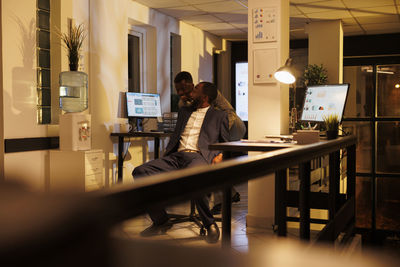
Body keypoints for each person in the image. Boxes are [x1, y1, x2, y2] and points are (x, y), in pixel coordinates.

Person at [132, 81, 230, 243]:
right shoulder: (184, 111)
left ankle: (209, 222)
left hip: (198, 156)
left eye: (196, 89)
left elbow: (226, 143)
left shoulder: (219, 116)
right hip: (175, 157)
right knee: (140, 172)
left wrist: (219, 155)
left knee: (194, 177)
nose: (191, 92)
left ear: (204, 96)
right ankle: (161, 221)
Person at [173, 71, 244, 213]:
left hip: (233, 126)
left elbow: (229, 112)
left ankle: (220, 201)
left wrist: (215, 133)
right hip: (213, 130)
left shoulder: (208, 92)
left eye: (184, 89)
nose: (181, 93)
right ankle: (231, 194)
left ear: (192, 86)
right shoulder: (183, 103)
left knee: (214, 159)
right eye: (178, 90)